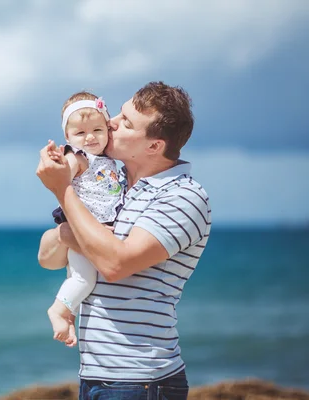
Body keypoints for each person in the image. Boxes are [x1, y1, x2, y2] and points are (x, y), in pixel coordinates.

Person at [36, 81, 211, 400]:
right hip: (94, 375)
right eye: (119, 112)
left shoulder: (183, 196)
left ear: (154, 146)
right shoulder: (113, 185)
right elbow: (47, 257)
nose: (111, 121)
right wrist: (67, 231)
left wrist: (63, 191)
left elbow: (115, 263)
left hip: (141, 379)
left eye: (127, 122)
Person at [46, 91, 123, 348]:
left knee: (80, 278)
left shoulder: (109, 161)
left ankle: (68, 317)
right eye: (80, 133)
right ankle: (57, 310)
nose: (90, 137)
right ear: (68, 137)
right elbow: (64, 171)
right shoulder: (78, 157)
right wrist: (59, 165)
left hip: (97, 230)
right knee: (83, 279)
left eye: (97, 129)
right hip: (83, 229)